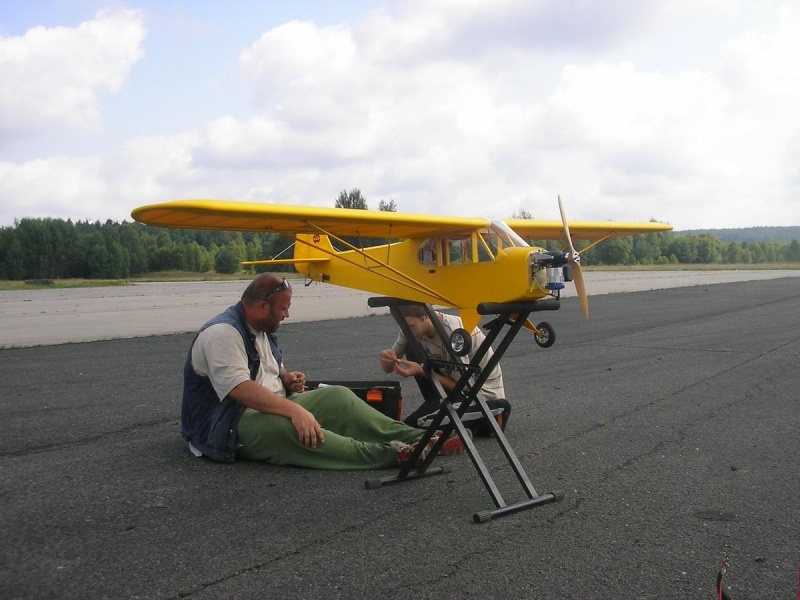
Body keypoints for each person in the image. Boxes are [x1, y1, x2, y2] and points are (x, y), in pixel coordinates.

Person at [181, 273, 463, 470]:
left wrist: (287, 378)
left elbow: (265, 370)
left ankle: (419, 438)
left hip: (271, 404)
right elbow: (239, 389)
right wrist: (295, 411)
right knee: (292, 427)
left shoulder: (261, 328)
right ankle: (391, 454)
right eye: (284, 308)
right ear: (262, 306)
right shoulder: (223, 333)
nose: (287, 315)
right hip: (229, 422)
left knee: (338, 397)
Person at [378, 305, 511, 436]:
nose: (407, 330)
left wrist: (422, 371)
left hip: (479, 394)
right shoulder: (410, 328)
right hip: (452, 389)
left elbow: (465, 386)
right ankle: (442, 411)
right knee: (411, 346)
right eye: (403, 326)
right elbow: (388, 368)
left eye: (411, 326)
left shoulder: (452, 333)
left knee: (416, 424)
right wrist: (387, 359)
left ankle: (493, 413)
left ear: (425, 316)